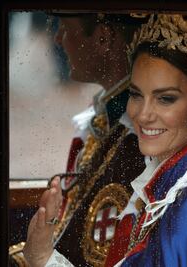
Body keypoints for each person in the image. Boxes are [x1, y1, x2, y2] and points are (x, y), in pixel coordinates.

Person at [23, 14, 187, 267]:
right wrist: (43, 256)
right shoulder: (166, 180)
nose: (142, 115)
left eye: (165, 99)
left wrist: (43, 259)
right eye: (136, 94)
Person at [9, 13, 147, 266]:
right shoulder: (104, 118)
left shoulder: (138, 141)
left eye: (65, 27)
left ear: (103, 39)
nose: (59, 39)